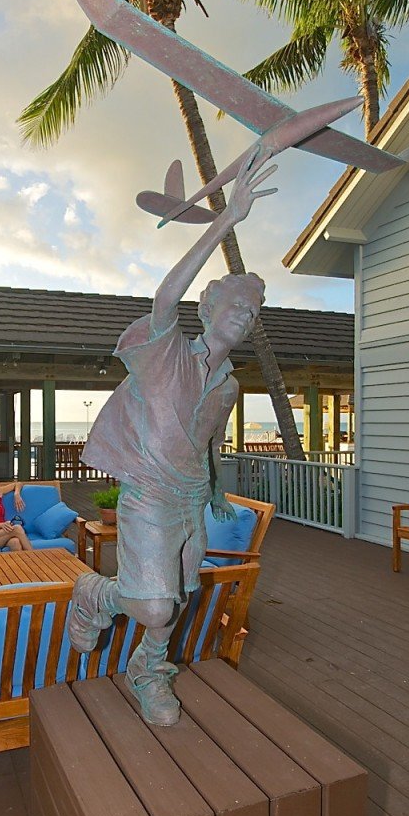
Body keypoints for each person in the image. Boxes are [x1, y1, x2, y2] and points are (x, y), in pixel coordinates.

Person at [69, 147, 277, 727]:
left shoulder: (229, 386)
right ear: (207, 309)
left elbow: (209, 439)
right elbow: (165, 296)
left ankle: (149, 669)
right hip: (149, 494)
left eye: (253, 310)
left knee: (175, 600)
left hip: (190, 497)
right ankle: (96, 594)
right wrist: (226, 220)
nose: (245, 315)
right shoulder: (167, 354)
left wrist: (214, 487)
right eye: (235, 304)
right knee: (154, 601)